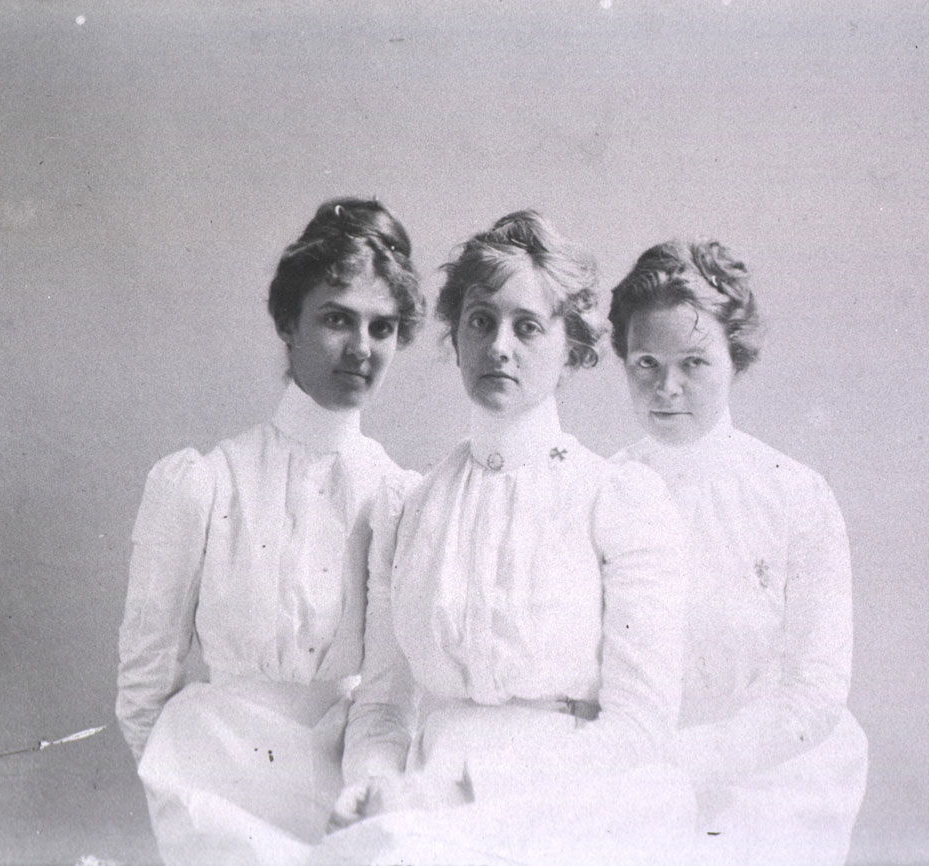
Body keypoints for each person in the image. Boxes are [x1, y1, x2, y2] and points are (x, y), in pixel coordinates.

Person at [318, 211, 694, 866]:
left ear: (571, 347)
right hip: (426, 799)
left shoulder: (618, 501)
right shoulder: (407, 509)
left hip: (572, 801)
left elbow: (640, 728)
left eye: (527, 327)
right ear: (455, 336)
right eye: (481, 321)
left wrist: (466, 794)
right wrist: (376, 789)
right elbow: (381, 707)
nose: (499, 347)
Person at [115, 197, 425, 866]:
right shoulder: (205, 484)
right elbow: (143, 688)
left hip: (346, 786)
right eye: (337, 319)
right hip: (215, 787)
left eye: (383, 327)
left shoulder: (399, 500)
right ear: (288, 321)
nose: (360, 349)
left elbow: (385, 695)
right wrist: (191, 805)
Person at [608, 239, 868, 866]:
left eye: (694, 363)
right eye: (646, 363)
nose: (666, 387)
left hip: (770, 776)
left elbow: (816, 687)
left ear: (735, 359)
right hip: (633, 773)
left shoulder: (793, 494)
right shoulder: (602, 491)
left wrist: (691, 763)